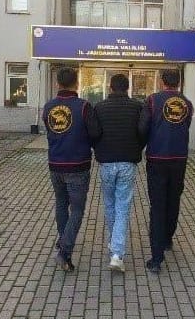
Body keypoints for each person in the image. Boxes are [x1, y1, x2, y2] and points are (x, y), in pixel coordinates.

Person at [138, 69, 194, 273]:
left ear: (162, 81)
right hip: (179, 159)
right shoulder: (187, 103)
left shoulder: (152, 101)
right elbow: (186, 126)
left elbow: (143, 128)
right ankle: (168, 238)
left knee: (157, 206)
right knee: (174, 200)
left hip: (157, 159)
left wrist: (142, 145)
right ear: (178, 82)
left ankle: (156, 258)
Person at [42, 67, 96, 272]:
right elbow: (95, 133)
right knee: (78, 210)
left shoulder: (48, 107)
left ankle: (63, 240)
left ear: (58, 83)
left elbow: (49, 131)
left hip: (55, 164)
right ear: (77, 83)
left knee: (61, 204)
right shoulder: (84, 107)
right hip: (78, 166)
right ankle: (65, 251)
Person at [92, 73, 144, 272]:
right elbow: (143, 132)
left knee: (110, 205)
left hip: (106, 163)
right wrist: (138, 148)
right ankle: (117, 254)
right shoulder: (137, 107)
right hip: (127, 163)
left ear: (110, 87)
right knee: (122, 207)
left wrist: (99, 149)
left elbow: (94, 133)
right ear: (128, 88)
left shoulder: (99, 107)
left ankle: (114, 245)